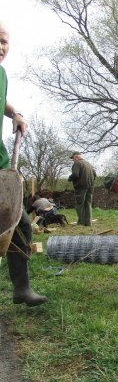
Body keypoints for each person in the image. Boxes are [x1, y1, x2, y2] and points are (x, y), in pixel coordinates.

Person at [0, 21, 47, 306]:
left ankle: (21, 288)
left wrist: (15, 113)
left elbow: (1, 100)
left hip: (0, 162)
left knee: (20, 225)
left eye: (4, 41)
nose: (1, 47)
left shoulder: (1, 73)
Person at [68, 152, 96, 226]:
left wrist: (69, 178)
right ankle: (88, 222)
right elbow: (95, 175)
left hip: (80, 187)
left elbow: (75, 174)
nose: (73, 160)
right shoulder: (88, 164)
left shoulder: (77, 164)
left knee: (80, 204)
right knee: (88, 203)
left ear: (77, 157)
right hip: (91, 186)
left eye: (73, 158)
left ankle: (81, 222)